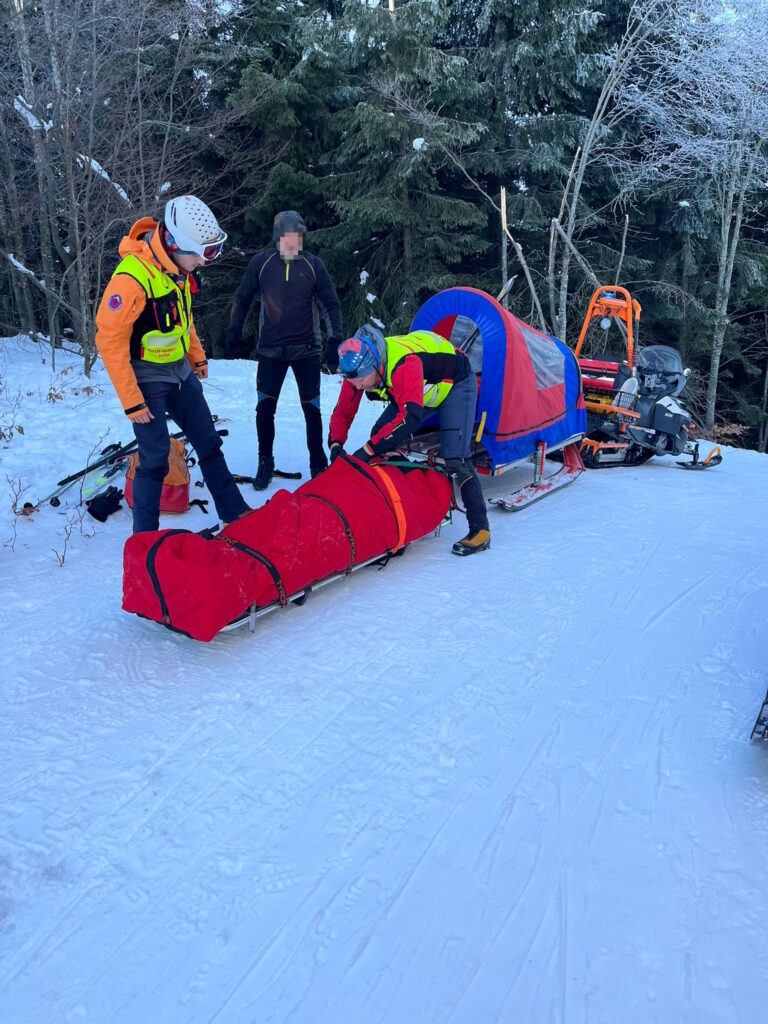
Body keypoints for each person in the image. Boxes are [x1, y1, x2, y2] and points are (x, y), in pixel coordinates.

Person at [95, 195, 250, 533]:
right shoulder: (131, 279)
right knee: (154, 458)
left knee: (208, 442)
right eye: (201, 254)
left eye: (211, 252)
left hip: (179, 372)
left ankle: (235, 513)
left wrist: (196, 356)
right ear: (174, 242)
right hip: (146, 380)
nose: (204, 262)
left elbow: (184, 318)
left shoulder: (177, 268)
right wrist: (131, 401)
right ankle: (146, 540)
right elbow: (108, 340)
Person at [328, 326, 491, 556]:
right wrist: (335, 444)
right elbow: (344, 410)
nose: (358, 386)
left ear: (375, 365)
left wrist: (367, 449)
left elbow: (411, 417)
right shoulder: (357, 366)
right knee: (381, 436)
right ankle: (397, 512)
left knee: (455, 457)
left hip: (456, 382)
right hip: (418, 388)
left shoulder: (403, 364)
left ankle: (480, 528)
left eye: (362, 380)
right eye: (354, 382)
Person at [223, 210, 344, 489]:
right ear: (278, 238)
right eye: (287, 238)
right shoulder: (261, 263)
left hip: (307, 350)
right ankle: (265, 461)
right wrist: (233, 332)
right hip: (270, 351)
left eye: (297, 238)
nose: (293, 243)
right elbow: (242, 299)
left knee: (312, 410)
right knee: (265, 410)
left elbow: (331, 305)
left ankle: (318, 462)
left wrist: (334, 340)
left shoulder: (314, 265)